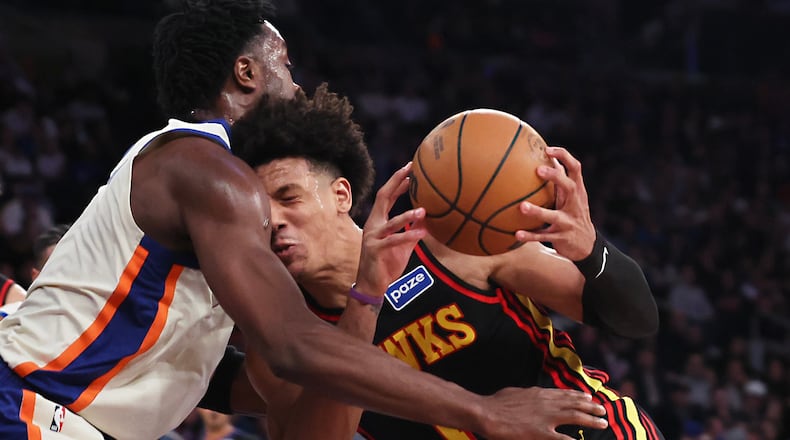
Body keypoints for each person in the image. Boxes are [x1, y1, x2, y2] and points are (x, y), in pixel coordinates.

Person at [0, 1, 607, 439]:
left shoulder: (191, 173)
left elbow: (226, 372)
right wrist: (482, 411)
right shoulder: (205, 168)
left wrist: (342, 372)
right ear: (247, 73)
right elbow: (293, 345)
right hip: (32, 407)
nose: (297, 85)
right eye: (285, 66)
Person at [232, 84, 666, 439]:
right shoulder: (281, 343)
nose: (275, 223)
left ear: (341, 195)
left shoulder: (448, 242)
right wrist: (364, 299)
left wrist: (591, 251)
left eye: (289, 199)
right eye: (261, 213)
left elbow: (638, 321)